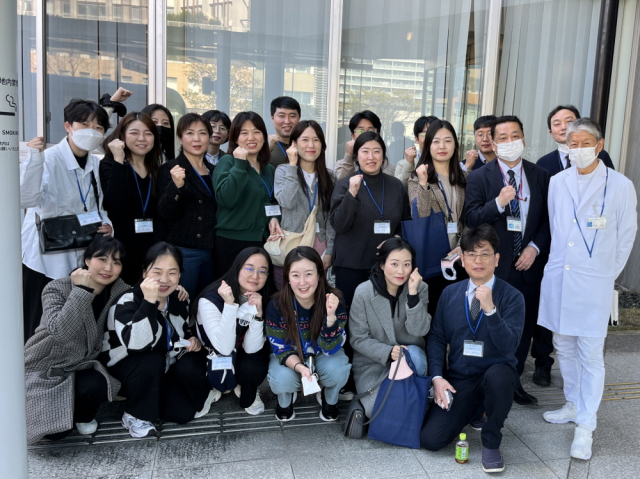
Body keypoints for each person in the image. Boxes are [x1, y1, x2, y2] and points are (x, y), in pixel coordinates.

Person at [538, 118, 637, 460]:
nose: (578, 149)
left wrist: (606, 274)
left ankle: (586, 425)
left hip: (594, 282)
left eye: (584, 143)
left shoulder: (620, 185)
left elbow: (626, 235)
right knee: (563, 345)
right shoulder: (557, 182)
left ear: (599, 145)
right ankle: (572, 403)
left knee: (591, 353)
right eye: (572, 143)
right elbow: (557, 228)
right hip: (560, 278)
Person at [420, 224, 525, 474]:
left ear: (496, 259)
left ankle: (491, 441)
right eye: (471, 254)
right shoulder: (449, 294)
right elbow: (437, 338)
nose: (478, 261)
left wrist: (491, 311)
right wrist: (437, 378)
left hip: (495, 373)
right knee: (431, 440)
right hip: (460, 377)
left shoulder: (512, 297)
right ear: (463, 260)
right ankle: (475, 408)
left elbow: (510, 346)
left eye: (485, 254)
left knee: (500, 377)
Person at [464, 115, 551, 407]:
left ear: (523, 139)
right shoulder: (480, 176)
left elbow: (547, 220)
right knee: (487, 325)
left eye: (515, 136)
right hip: (493, 267)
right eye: (503, 137)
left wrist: (534, 248)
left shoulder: (540, 175)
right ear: (493, 142)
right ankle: (485, 383)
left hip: (528, 265)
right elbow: (471, 218)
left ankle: (513, 382)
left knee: (522, 328)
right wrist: (499, 203)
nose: (510, 142)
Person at [20, 98, 113, 342]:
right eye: (85, 124)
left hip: (78, 251)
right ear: (68, 126)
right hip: (45, 256)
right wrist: (33, 158)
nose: (92, 131)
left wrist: (107, 225)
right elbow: (26, 198)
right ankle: (33, 363)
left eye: (98, 127)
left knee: (69, 320)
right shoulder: (48, 159)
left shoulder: (95, 163)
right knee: (38, 321)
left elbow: (98, 205)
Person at [24, 237, 129, 444]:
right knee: (55, 434)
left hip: (84, 365)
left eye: (116, 262)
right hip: (48, 364)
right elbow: (61, 332)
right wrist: (82, 291)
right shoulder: (56, 288)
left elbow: (146, 296)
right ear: (87, 260)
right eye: (102, 259)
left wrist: (173, 292)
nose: (108, 268)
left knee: (96, 384)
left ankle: (83, 415)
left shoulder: (121, 291)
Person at [101, 242, 210, 438]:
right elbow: (137, 344)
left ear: (180, 274)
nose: (164, 279)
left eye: (172, 273)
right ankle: (135, 414)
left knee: (183, 414)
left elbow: (181, 332)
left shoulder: (179, 299)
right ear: (145, 272)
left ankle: (148, 400)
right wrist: (149, 301)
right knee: (150, 360)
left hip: (161, 368)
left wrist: (191, 340)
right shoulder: (127, 301)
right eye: (157, 272)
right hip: (126, 367)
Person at [265, 247, 350, 422]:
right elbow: (281, 349)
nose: (302, 282)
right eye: (295, 275)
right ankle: (285, 399)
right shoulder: (276, 305)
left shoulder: (334, 300)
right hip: (291, 354)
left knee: (338, 370)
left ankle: (330, 398)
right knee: (281, 379)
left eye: (309, 274)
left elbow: (330, 348)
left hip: (323, 353)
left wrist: (331, 317)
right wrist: (300, 367)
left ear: (319, 275)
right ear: (288, 278)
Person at [349, 238, 430, 417]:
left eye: (407, 264)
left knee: (407, 403)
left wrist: (413, 295)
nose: (401, 271)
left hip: (410, 359)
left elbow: (420, 331)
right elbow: (358, 338)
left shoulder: (420, 288)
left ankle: (415, 393)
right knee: (377, 409)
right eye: (394, 264)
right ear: (382, 265)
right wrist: (388, 352)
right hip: (373, 363)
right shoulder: (364, 292)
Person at [330, 131, 412, 309]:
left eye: (376, 151)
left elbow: (406, 222)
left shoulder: (396, 186)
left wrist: (396, 238)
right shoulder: (345, 184)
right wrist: (352, 194)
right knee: (352, 315)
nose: (371, 157)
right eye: (365, 151)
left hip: (387, 265)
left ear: (383, 155)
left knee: (383, 315)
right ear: (356, 156)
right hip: (351, 266)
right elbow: (339, 224)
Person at [193, 247, 276, 416]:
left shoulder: (265, 297)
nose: (255, 276)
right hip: (212, 352)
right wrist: (229, 305)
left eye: (262, 271)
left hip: (242, 350)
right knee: (189, 368)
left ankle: (245, 388)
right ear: (237, 268)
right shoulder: (211, 298)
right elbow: (223, 348)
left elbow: (251, 349)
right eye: (249, 269)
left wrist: (258, 314)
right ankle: (211, 388)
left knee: (254, 365)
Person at [407, 119, 468, 317]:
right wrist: (424, 184)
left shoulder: (464, 178)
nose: (442, 146)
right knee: (433, 311)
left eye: (448, 141)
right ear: (428, 145)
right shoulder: (416, 178)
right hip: (432, 256)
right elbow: (420, 216)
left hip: (460, 255)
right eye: (436, 141)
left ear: (455, 145)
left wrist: (464, 243)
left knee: (457, 313)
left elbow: (470, 217)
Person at [213, 111, 285, 277]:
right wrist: (239, 164)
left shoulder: (268, 169)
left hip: (262, 242)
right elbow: (226, 199)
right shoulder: (227, 162)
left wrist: (274, 218)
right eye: (244, 133)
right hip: (232, 242)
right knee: (231, 289)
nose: (251, 138)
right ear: (235, 138)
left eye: (256, 132)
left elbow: (273, 201)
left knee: (256, 289)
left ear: (264, 137)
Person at [100, 112, 163, 286]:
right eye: (134, 133)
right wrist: (118, 159)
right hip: (120, 249)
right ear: (122, 135)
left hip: (151, 249)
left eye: (148, 133)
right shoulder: (110, 164)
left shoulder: (157, 169)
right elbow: (114, 201)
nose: (142, 138)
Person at [157, 113, 216, 299]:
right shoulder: (171, 168)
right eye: (190, 133)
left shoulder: (213, 170)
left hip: (212, 249)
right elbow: (164, 211)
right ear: (180, 138)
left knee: (205, 303)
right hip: (184, 251)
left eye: (202, 133)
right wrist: (176, 186)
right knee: (183, 303)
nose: (196, 139)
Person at [274, 120, 336, 287]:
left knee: (318, 294)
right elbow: (286, 202)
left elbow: (331, 217)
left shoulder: (329, 176)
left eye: (316, 140)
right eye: (305, 139)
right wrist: (292, 166)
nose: (311, 145)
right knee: (289, 294)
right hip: (292, 244)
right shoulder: (283, 170)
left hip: (321, 245)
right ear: (294, 144)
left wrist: (330, 251)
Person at [537, 105, 615, 176]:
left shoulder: (599, 155)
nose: (564, 127)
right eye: (557, 124)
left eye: (569, 121)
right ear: (551, 133)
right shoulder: (543, 163)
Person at [335, 110, 395, 180]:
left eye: (371, 130)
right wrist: (349, 156)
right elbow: (342, 184)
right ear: (353, 136)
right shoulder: (341, 164)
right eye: (360, 131)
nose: (365, 134)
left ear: (378, 135)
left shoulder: (389, 167)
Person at [395, 115, 438, 186]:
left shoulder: (447, 163)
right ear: (416, 139)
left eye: (435, 134)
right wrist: (409, 164)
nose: (431, 138)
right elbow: (400, 187)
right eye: (426, 134)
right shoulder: (402, 164)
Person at [268, 96, 301, 167]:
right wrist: (266, 150)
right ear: (272, 118)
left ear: (299, 118)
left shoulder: (306, 146)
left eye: (292, 116)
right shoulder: (266, 147)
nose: (287, 121)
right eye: (281, 116)